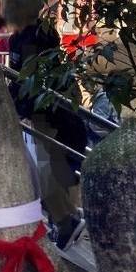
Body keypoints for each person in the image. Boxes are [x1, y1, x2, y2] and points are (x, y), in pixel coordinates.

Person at [8, 19, 87, 250]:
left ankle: (65, 222)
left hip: (51, 125)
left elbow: (22, 86)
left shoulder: (31, 57)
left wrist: (15, 108)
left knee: (45, 176)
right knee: (54, 174)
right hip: (66, 126)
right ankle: (65, 221)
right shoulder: (58, 69)